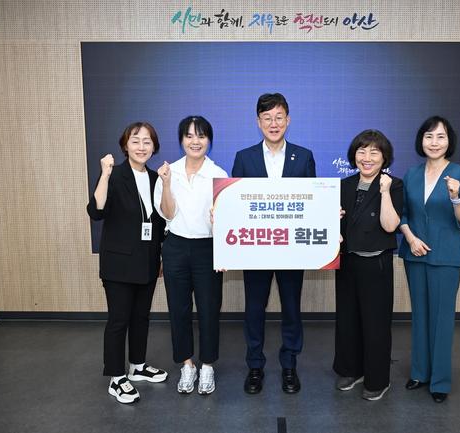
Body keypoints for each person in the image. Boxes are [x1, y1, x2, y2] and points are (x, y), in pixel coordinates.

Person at [232, 93, 316, 394]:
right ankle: (255, 366)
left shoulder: (303, 156)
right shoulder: (244, 158)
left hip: (291, 249)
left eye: (279, 117)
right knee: (254, 309)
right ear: (258, 122)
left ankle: (289, 365)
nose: (273, 123)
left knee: (292, 309)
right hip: (255, 250)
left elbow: (313, 202)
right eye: (267, 118)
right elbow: (235, 203)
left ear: (288, 120)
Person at [87, 122, 168, 404]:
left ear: (154, 147)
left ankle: (137, 366)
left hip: (147, 261)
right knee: (119, 319)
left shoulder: (156, 179)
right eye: (135, 141)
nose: (141, 147)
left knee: (141, 317)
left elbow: (159, 222)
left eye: (147, 141)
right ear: (125, 145)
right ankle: (116, 377)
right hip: (118, 264)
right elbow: (96, 211)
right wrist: (104, 174)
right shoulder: (115, 174)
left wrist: (160, 256)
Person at [399, 115, 460, 403]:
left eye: (440, 136)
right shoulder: (411, 174)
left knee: (442, 319)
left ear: (449, 141)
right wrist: (410, 239)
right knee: (419, 315)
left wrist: (455, 197)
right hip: (415, 253)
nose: (434, 142)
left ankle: (440, 381)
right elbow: (403, 214)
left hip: (446, 256)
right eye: (429, 136)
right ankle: (419, 372)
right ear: (421, 140)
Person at [154, 116, 227, 395]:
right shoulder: (168, 171)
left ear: (209, 140)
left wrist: (224, 252)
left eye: (201, 136)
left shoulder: (218, 174)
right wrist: (167, 184)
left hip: (207, 248)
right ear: (181, 140)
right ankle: (187, 365)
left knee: (209, 308)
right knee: (179, 308)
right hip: (175, 246)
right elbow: (168, 214)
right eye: (189, 136)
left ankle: (207, 366)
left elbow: (226, 219)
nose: (195, 141)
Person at [333, 130, 403, 401]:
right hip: (348, 261)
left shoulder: (393, 185)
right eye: (362, 151)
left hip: (377, 264)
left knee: (376, 323)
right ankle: (351, 370)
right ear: (354, 156)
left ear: (384, 157)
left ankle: (377, 379)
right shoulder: (344, 185)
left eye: (374, 152)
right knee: (347, 319)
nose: (367, 157)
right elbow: (332, 225)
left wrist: (384, 192)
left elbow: (390, 225)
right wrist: (333, 220)